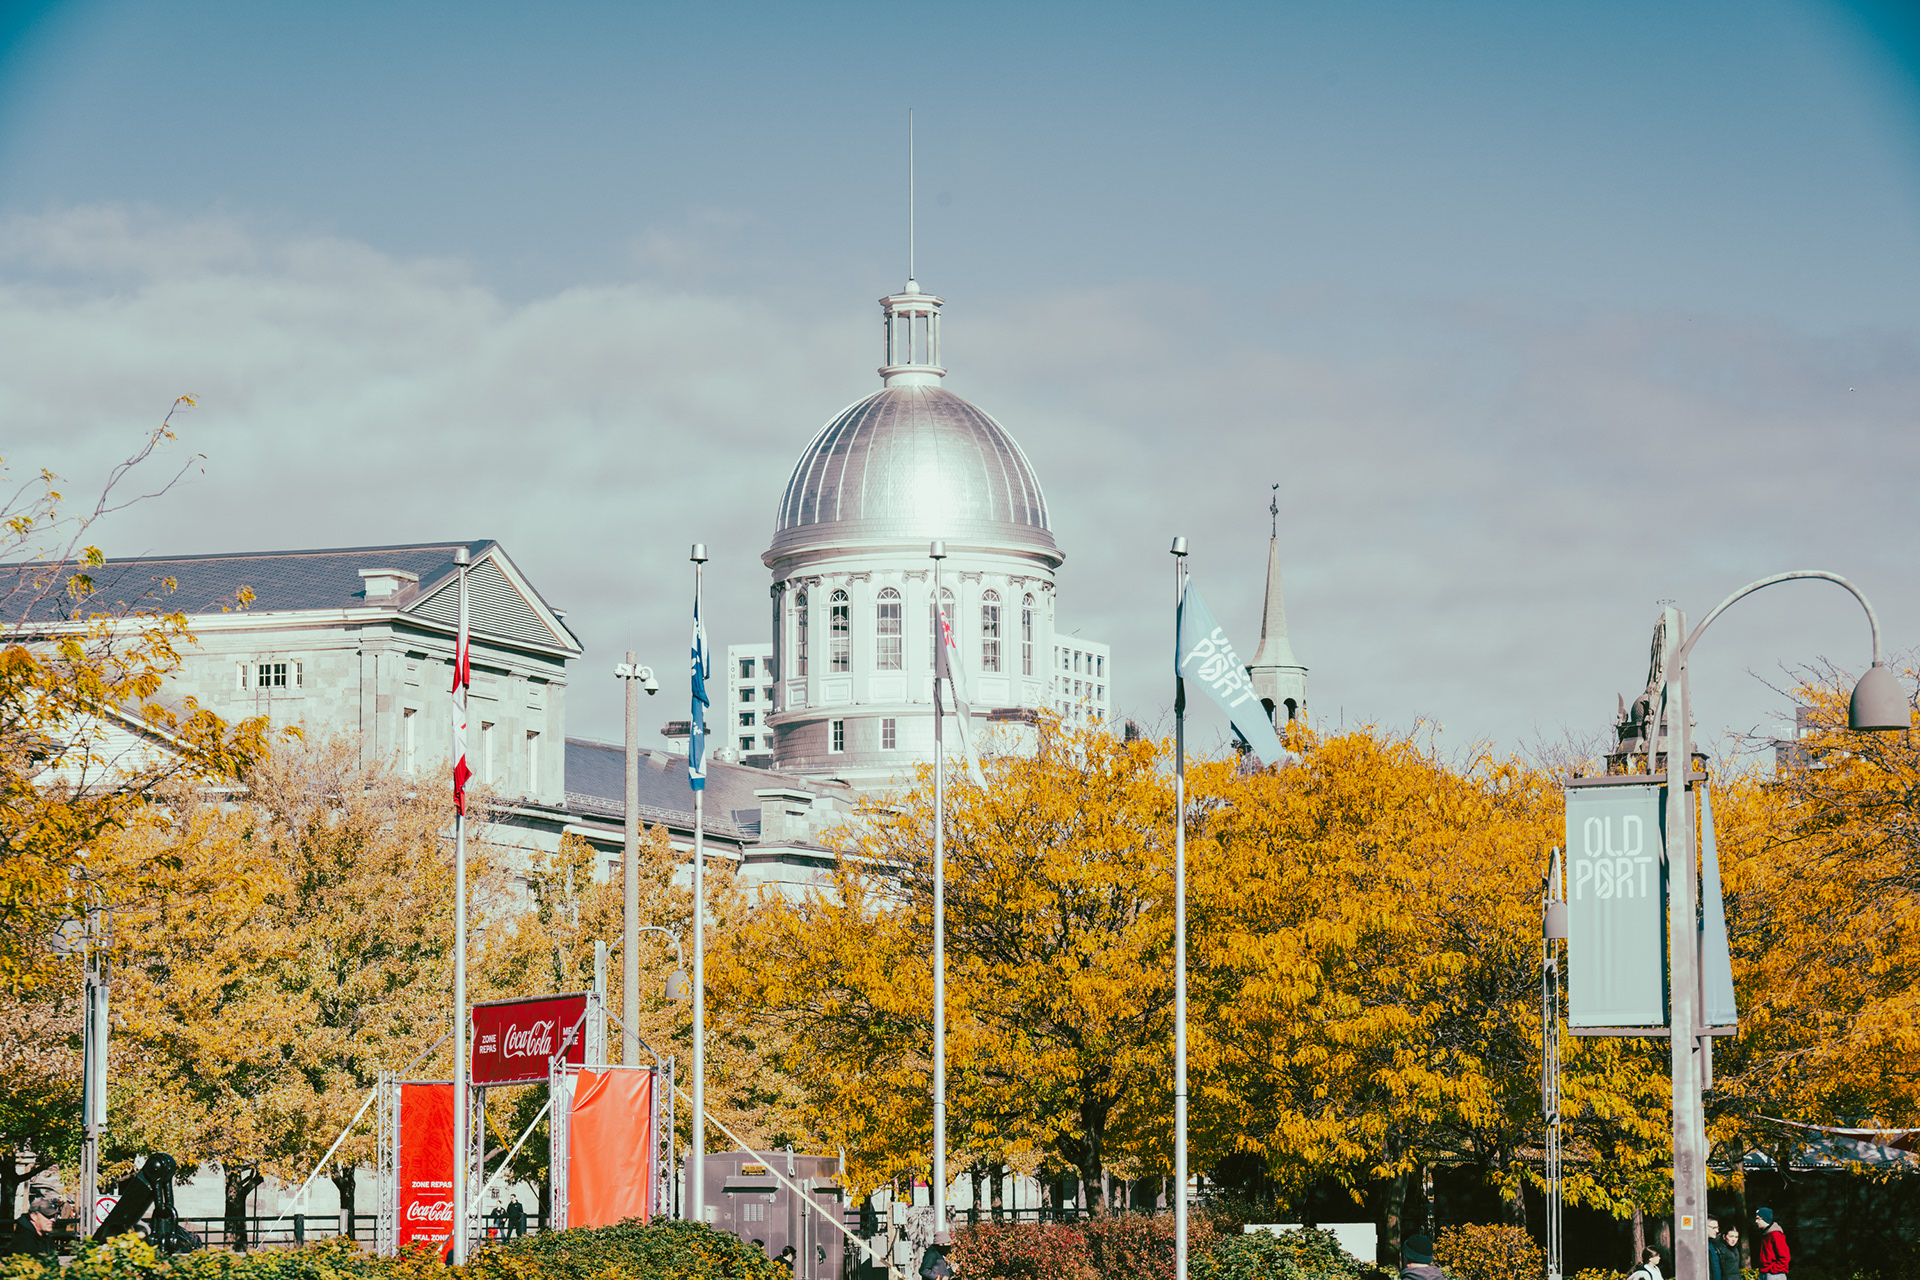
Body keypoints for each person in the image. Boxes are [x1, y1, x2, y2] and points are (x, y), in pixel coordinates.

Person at [10, 1194, 64, 1258]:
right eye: (48, 1216)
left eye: (53, 1216)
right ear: (34, 1216)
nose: (53, 1219)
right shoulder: (22, 1241)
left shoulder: (45, 1238)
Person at [1755, 1208, 1790, 1279]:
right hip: (1765, 1273)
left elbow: (1785, 1257)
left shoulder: (1776, 1235)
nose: (1756, 1221)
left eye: (1758, 1218)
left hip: (1774, 1275)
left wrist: (1772, 1270)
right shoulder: (1765, 1234)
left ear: (1765, 1219)